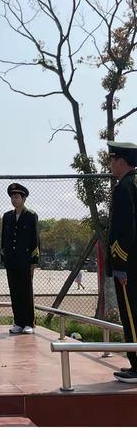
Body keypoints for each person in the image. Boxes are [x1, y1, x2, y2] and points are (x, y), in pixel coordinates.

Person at [106, 142, 137, 383]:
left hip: (128, 264)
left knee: (131, 315)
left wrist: (119, 263)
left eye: (113, 159)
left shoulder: (123, 188)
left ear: (122, 161)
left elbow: (124, 230)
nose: (110, 164)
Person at [1, 183, 40, 335]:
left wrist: (34, 261)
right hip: (11, 260)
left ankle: (29, 322)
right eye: (12, 197)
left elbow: (35, 239)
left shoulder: (31, 216)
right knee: (14, 291)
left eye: (17, 197)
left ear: (23, 198)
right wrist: (4, 257)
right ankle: (18, 322)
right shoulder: (7, 216)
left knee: (26, 291)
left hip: (25, 260)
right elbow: (4, 239)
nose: (14, 199)